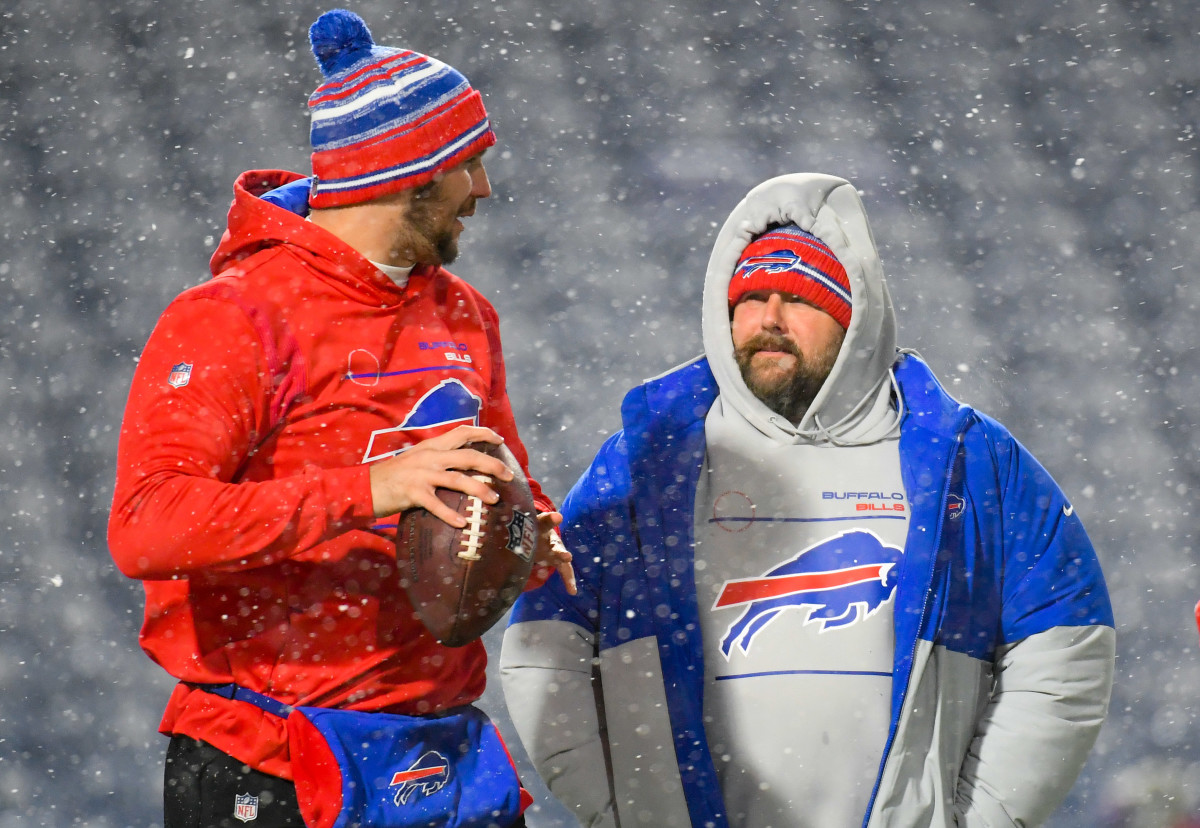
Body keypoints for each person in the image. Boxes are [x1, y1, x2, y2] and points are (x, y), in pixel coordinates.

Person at [500, 173, 1115, 828]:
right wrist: (629, 812)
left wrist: (977, 819)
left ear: (856, 319)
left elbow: (1066, 642)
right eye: (750, 298)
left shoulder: (969, 460)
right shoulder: (645, 462)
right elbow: (544, 639)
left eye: (798, 298)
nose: (769, 319)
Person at [108, 10, 572, 828]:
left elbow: (501, 475)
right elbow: (148, 527)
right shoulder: (231, 317)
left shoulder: (465, 313)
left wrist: (524, 533)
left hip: (439, 747)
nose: (485, 189)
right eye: (469, 164)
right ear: (408, 172)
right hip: (267, 757)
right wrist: (372, 489)